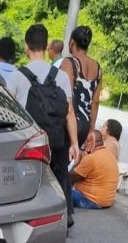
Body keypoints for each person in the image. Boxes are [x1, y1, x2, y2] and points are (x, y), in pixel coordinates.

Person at [13, 24, 81, 227]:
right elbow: (69, 112)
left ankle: (28, 219)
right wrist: (75, 144)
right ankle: (63, 216)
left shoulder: (17, 76)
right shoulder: (60, 76)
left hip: (30, 140)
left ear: (26, 46)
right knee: (59, 178)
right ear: (45, 46)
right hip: (56, 138)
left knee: (27, 180)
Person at [60, 26, 103, 149]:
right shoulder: (98, 68)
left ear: (72, 42)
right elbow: (95, 102)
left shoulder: (69, 63)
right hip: (85, 125)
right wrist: (91, 130)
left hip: (69, 123)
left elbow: (65, 96)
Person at [71, 130, 119, 209]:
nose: (84, 146)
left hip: (91, 200)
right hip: (106, 201)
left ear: (90, 143)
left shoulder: (91, 158)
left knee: (61, 191)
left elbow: (71, 179)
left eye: (85, 143)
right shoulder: (109, 154)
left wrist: (78, 160)